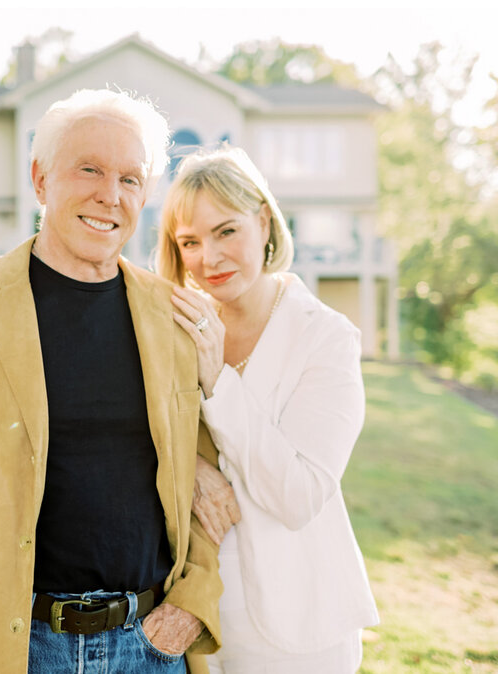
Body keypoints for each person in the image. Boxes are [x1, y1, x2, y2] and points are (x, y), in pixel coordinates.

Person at [0, 89, 223, 674]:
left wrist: (193, 604)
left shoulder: (176, 317)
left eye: (130, 179)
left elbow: (205, 484)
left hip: (151, 648)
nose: (108, 196)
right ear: (40, 180)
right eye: (89, 169)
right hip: (10, 650)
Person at [156, 146, 379, 673]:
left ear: (262, 221)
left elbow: (299, 496)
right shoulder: (180, 328)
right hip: (199, 622)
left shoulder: (325, 338)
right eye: (190, 241)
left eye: (226, 231)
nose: (209, 258)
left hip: (299, 629)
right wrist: (191, 469)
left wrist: (219, 383)